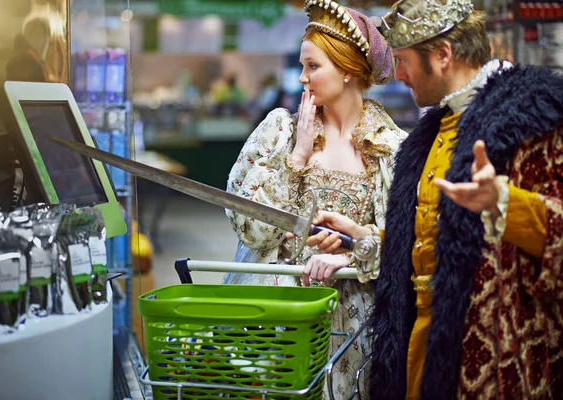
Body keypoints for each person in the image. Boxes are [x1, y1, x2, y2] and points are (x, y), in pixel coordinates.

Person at [306, 0, 563, 398]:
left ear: (442, 55)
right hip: (419, 349)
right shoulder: (428, 134)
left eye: (404, 61)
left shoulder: (532, 119)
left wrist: (507, 205)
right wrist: (365, 237)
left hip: (491, 355)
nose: (400, 76)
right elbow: (433, 241)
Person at [223, 0, 407, 397]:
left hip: (356, 326)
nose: (302, 78)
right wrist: (297, 157)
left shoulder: (390, 148)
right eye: (303, 66)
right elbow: (250, 230)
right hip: (280, 318)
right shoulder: (280, 133)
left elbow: (407, 243)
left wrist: (350, 252)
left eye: (313, 66)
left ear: (346, 70)